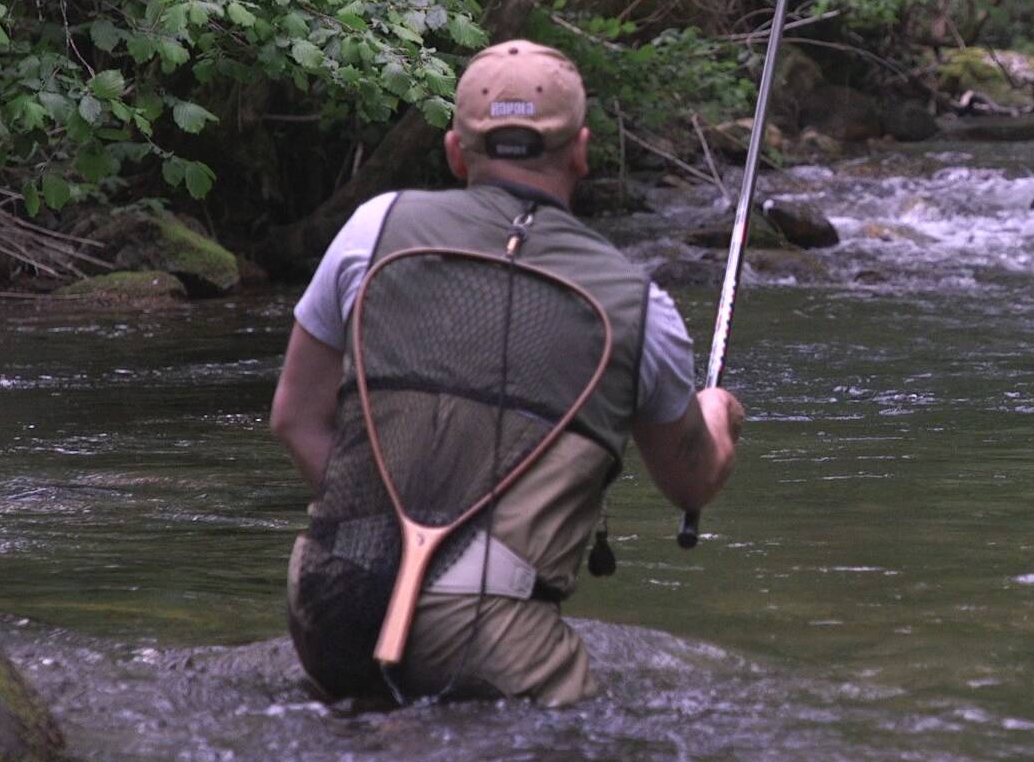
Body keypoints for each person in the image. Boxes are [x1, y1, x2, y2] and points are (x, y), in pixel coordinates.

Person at [269, 39, 743, 706]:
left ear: (456, 152)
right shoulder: (640, 305)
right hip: (487, 641)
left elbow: (293, 418)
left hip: (330, 596)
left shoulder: (371, 229)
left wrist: (380, 537)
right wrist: (718, 416)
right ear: (580, 150)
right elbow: (689, 482)